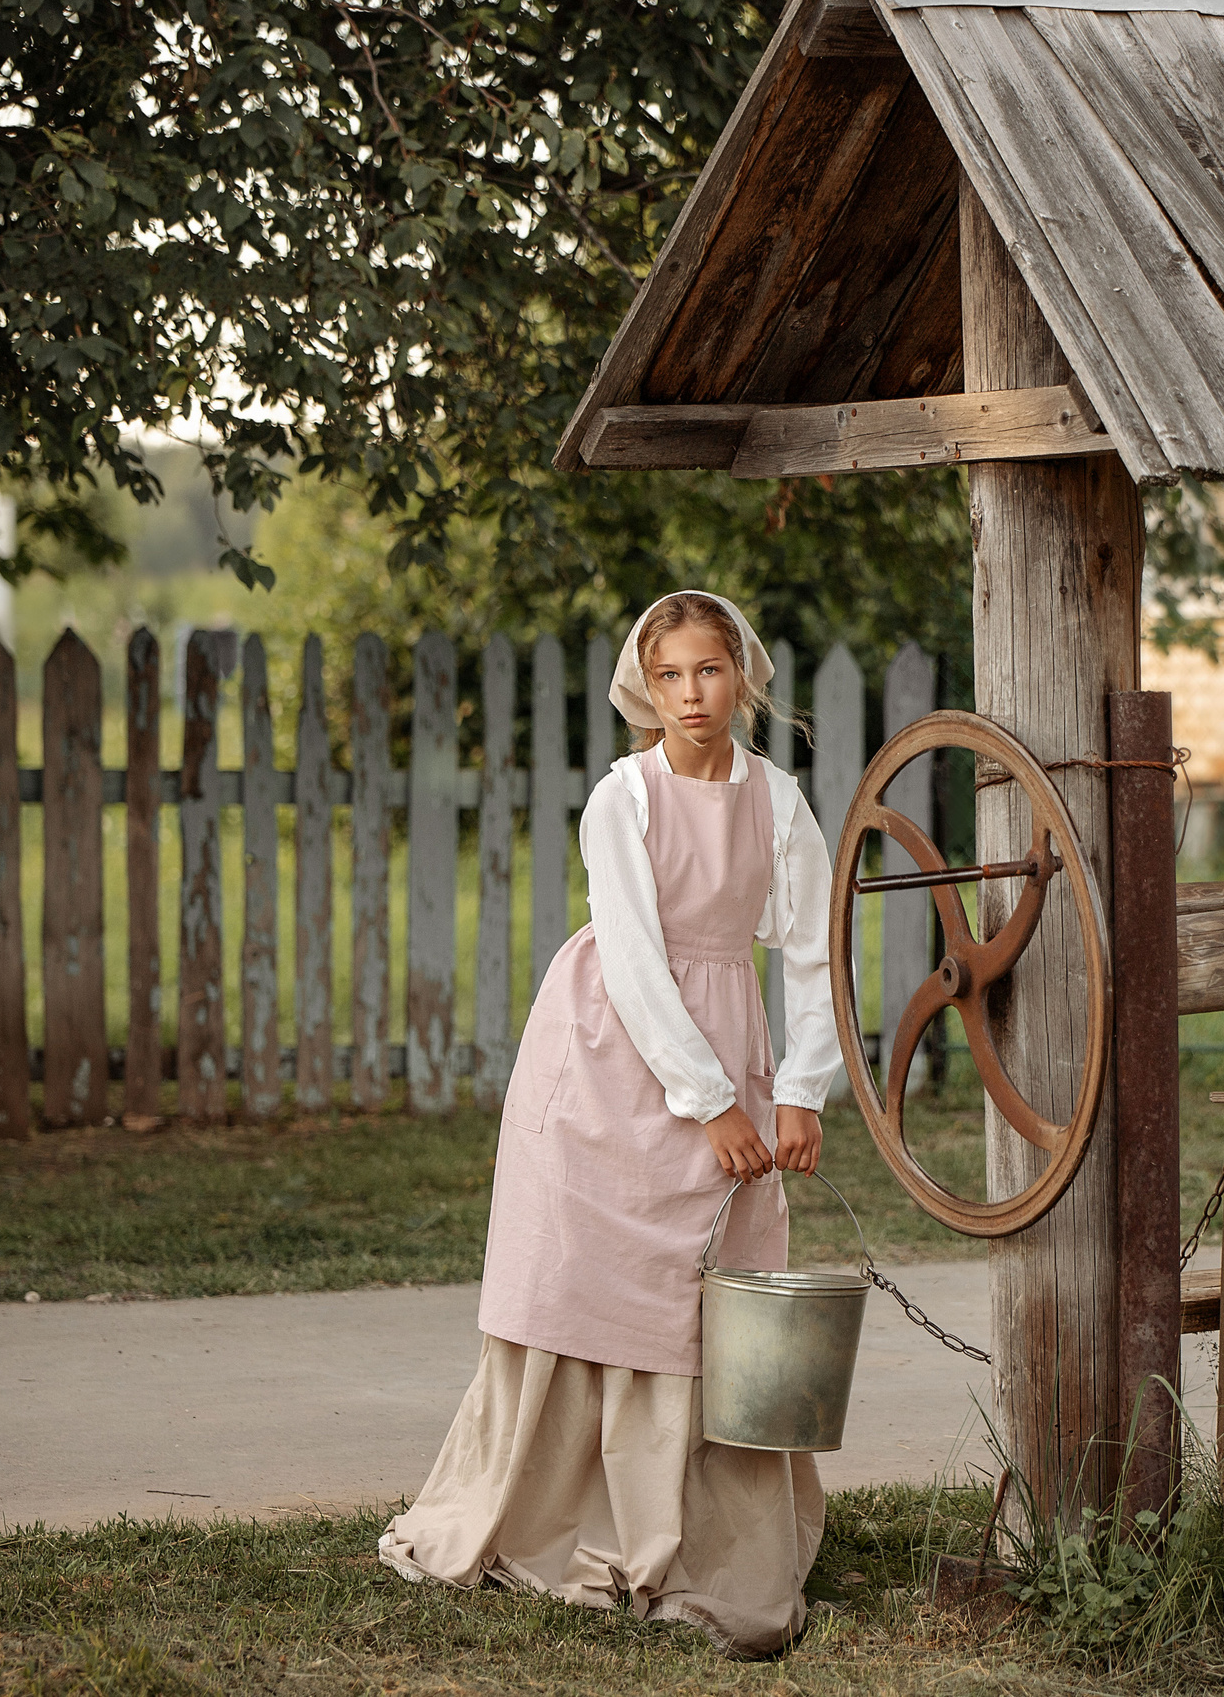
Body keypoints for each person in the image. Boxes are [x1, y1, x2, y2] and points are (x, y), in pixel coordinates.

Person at [378, 591, 839, 1657]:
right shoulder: (622, 796)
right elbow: (630, 958)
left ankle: (700, 1526)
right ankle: (556, 1511)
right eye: (670, 675)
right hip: (611, 1052)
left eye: (709, 670)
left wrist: (799, 1087)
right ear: (646, 685)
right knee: (588, 1273)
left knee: (712, 1286)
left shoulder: (779, 801)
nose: (691, 694)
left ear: (741, 674)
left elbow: (815, 950)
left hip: (728, 1036)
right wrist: (709, 1100)